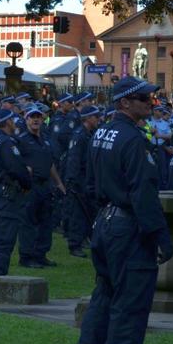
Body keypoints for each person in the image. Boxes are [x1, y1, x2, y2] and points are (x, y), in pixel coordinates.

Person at [67, 77, 173, 344]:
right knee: (130, 303)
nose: (151, 104)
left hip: (105, 222)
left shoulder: (101, 132)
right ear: (125, 102)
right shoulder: (132, 139)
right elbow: (143, 193)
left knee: (104, 297)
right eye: (144, 99)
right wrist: (161, 236)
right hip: (127, 228)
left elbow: (90, 183)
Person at [17, 104, 65, 268]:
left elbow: (49, 163)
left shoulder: (45, 139)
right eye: (32, 117)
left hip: (45, 185)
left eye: (38, 117)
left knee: (45, 221)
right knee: (28, 221)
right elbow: (15, 161)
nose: (36, 120)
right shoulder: (21, 140)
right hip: (30, 186)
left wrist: (58, 183)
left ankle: (41, 254)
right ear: (26, 119)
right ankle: (26, 256)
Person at [0, 109, 31, 276]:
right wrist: (27, 182)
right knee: (5, 236)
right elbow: (16, 168)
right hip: (6, 195)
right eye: (12, 119)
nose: (15, 122)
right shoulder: (7, 143)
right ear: (7, 122)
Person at [65, 105, 101, 257]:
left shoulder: (89, 134)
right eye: (96, 117)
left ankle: (84, 238)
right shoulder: (79, 135)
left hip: (87, 178)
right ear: (87, 118)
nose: (98, 119)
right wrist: (72, 181)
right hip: (79, 179)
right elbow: (74, 159)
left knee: (88, 211)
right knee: (78, 213)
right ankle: (74, 245)